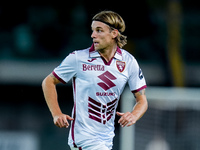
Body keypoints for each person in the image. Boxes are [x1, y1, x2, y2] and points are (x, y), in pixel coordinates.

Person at [42, 10, 148, 150]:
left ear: (114, 34)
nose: (93, 35)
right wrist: (56, 113)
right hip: (83, 138)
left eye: (99, 30)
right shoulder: (78, 58)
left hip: (106, 139)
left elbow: (142, 100)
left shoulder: (128, 61)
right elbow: (48, 82)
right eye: (93, 30)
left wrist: (134, 115)